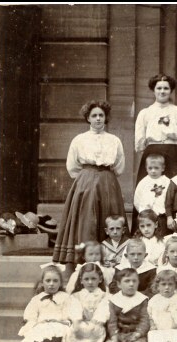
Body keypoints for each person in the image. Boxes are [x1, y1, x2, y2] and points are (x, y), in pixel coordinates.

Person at [53, 100, 126, 276]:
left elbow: (120, 166)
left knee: (108, 218)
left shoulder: (114, 140)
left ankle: (110, 263)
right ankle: (83, 265)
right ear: (88, 118)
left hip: (108, 182)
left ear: (106, 117)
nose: (98, 119)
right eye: (94, 115)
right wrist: (88, 176)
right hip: (85, 181)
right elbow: (72, 167)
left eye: (101, 115)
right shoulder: (79, 140)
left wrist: (105, 177)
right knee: (86, 222)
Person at [91, 268, 149, 342]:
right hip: (120, 332)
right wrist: (115, 335)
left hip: (135, 332)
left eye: (134, 281)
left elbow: (144, 320)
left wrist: (137, 334)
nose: (131, 284)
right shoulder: (114, 300)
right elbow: (112, 321)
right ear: (119, 284)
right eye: (127, 281)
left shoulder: (142, 299)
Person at [15, 266, 71, 342]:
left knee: (57, 335)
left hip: (59, 324)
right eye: (48, 281)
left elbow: (69, 313)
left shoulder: (65, 297)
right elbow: (31, 314)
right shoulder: (37, 298)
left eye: (55, 281)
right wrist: (34, 322)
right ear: (42, 283)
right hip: (42, 323)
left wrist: (60, 320)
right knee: (37, 334)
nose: (51, 284)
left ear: (60, 283)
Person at [134, 74, 177, 180]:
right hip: (151, 155)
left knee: (173, 189)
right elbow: (140, 144)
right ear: (153, 90)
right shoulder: (145, 113)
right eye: (159, 88)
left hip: (173, 155)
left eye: (166, 88)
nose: (162, 91)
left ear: (171, 90)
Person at [63, 263, 109, 342]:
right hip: (81, 322)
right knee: (72, 331)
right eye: (86, 279)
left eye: (93, 279)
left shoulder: (104, 296)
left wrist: (96, 321)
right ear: (81, 280)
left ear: (100, 279)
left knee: (97, 332)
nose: (90, 282)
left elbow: (104, 309)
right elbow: (75, 308)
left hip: (96, 323)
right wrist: (77, 321)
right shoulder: (76, 296)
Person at [133, 154, 171, 237]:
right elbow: (137, 199)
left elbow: (170, 198)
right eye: (150, 168)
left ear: (163, 168)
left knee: (161, 236)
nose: (153, 171)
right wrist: (143, 212)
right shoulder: (143, 182)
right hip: (146, 217)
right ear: (146, 168)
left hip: (161, 216)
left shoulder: (167, 182)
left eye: (156, 168)